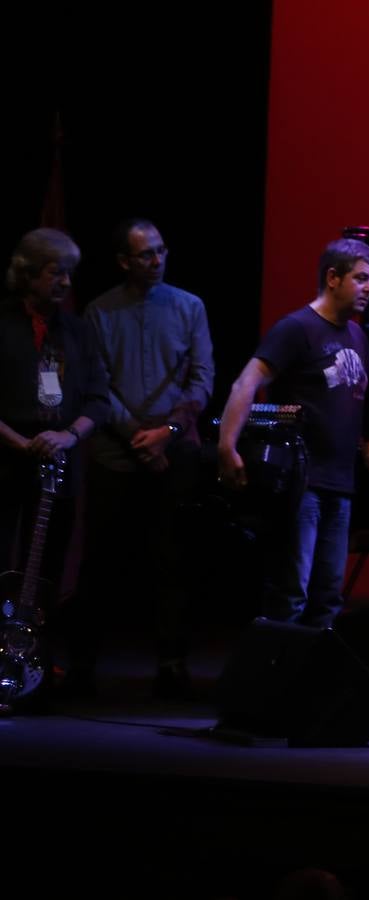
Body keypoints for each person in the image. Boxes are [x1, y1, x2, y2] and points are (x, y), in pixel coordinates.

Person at [218, 238, 369, 628]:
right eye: (362, 278)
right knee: (292, 591)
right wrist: (227, 446)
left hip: (341, 484)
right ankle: (275, 679)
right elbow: (246, 383)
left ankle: (310, 683)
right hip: (302, 484)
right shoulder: (297, 328)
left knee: (328, 595)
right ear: (333, 278)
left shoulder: (356, 336)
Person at [75, 218, 215, 697]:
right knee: (101, 563)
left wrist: (167, 434)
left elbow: (202, 379)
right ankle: (82, 665)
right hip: (116, 455)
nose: (156, 261)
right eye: (145, 254)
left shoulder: (189, 307)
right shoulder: (98, 312)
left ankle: (172, 663)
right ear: (122, 261)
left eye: (160, 250)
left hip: (176, 454)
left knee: (173, 561)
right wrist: (140, 437)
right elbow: (97, 385)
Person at [1, 228, 108, 699]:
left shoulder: (78, 330)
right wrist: (19, 442)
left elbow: (98, 401)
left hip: (58, 464)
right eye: (55, 272)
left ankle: (33, 662)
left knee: (47, 564)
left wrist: (68, 435)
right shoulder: (3, 323)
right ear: (28, 273)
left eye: (69, 273)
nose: (65, 282)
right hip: (7, 458)